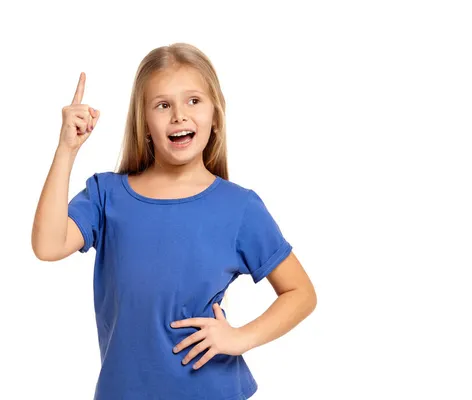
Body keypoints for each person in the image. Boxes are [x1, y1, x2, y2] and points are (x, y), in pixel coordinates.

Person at [31, 43, 317, 400]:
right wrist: (66, 150)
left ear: (215, 117)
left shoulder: (239, 207)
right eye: (163, 105)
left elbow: (300, 293)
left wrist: (240, 337)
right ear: (145, 124)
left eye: (193, 101)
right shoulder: (107, 195)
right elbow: (47, 245)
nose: (179, 115)